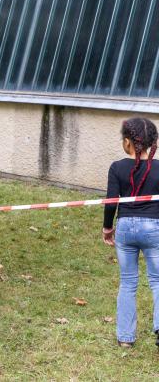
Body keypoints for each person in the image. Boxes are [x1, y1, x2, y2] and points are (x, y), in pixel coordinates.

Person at [102, 117, 159, 349]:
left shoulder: (117, 167)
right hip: (154, 227)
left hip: (124, 227)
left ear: (127, 142)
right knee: (157, 281)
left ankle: (125, 338)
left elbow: (111, 202)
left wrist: (107, 227)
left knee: (127, 282)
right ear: (153, 142)